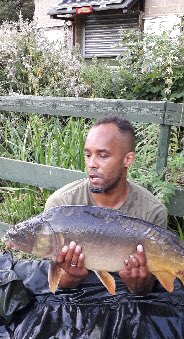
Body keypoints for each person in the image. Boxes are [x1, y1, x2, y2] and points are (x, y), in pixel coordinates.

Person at [45, 116, 167, 295]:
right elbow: (58, 282)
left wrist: (138, 284)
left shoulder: (152, 212)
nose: (91, 164)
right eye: (88, 155)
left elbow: (147, 289)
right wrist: (71, 277)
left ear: (128, 160)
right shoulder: (61, 206)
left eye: (102, 156)